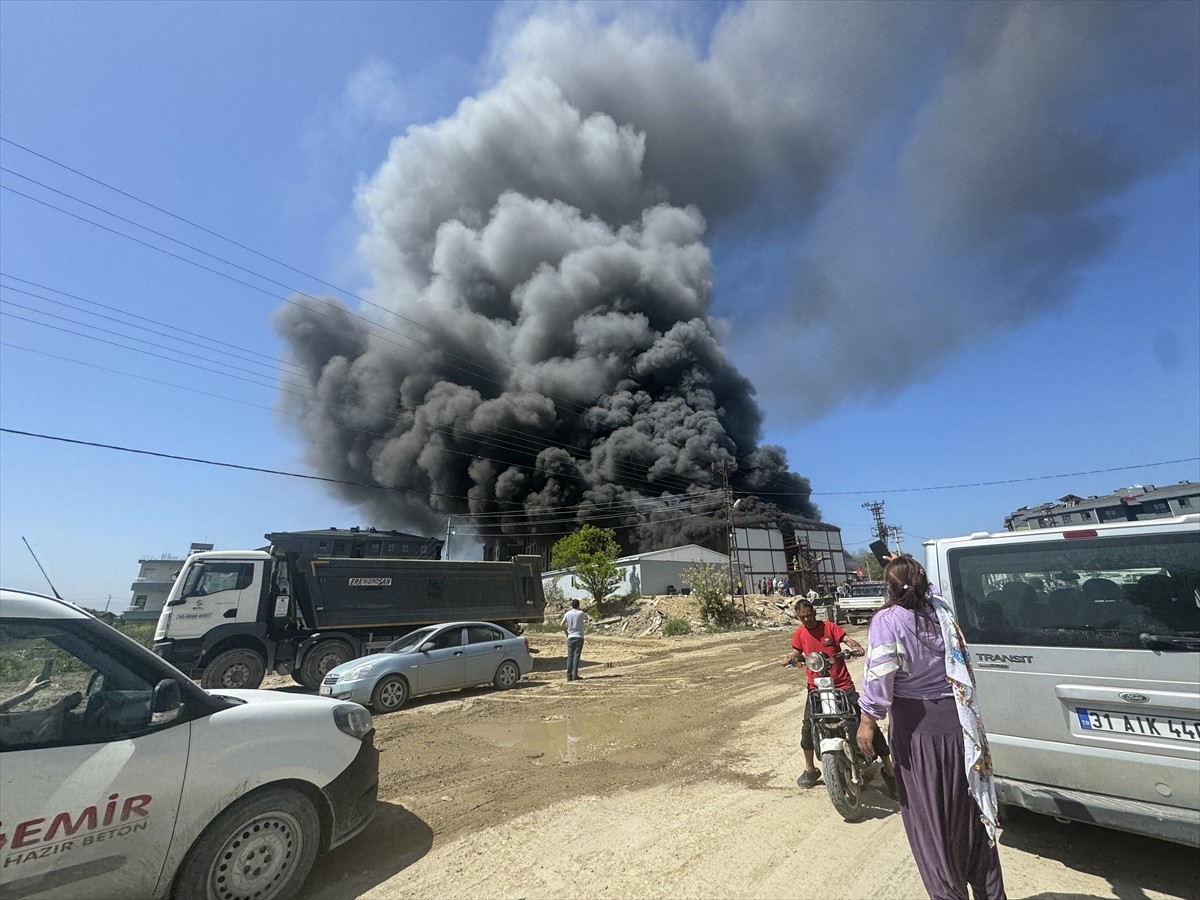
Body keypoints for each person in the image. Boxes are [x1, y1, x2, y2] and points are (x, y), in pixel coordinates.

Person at [857, 556, 1006, 900]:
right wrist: (905, 569)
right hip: (960, 726)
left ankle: (947, 893)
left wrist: (867, 721)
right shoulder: (941, 610)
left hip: (917, 732)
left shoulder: (887, 620)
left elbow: (879, 678)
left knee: (931, 822)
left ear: (888, 588)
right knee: (969, 812)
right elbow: (925, 589)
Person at [782, 600, 895, 793]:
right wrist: (789, 658)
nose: (807, 619)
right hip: (816, 689)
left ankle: (889, 769)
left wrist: (855, 646)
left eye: (809, 615)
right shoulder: (800, 633)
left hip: (842, 686)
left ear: (814, 613)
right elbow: (796, 651)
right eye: (803, 617)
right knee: (808, 726)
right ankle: (810, 769)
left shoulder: (829, 627)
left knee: (866, 720)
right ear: (798, 617)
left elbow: (847, 640)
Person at [560, 598, 588, 682]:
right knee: (576, 656)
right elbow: (587, 619)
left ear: (572, 605)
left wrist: (566, 632)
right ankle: (575, 674)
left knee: (570, 657)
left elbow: (561, 624)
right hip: (579, 636)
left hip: (570, 636)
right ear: (578, 605)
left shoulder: (567, 614)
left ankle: (569, 675)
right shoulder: (581, 613)